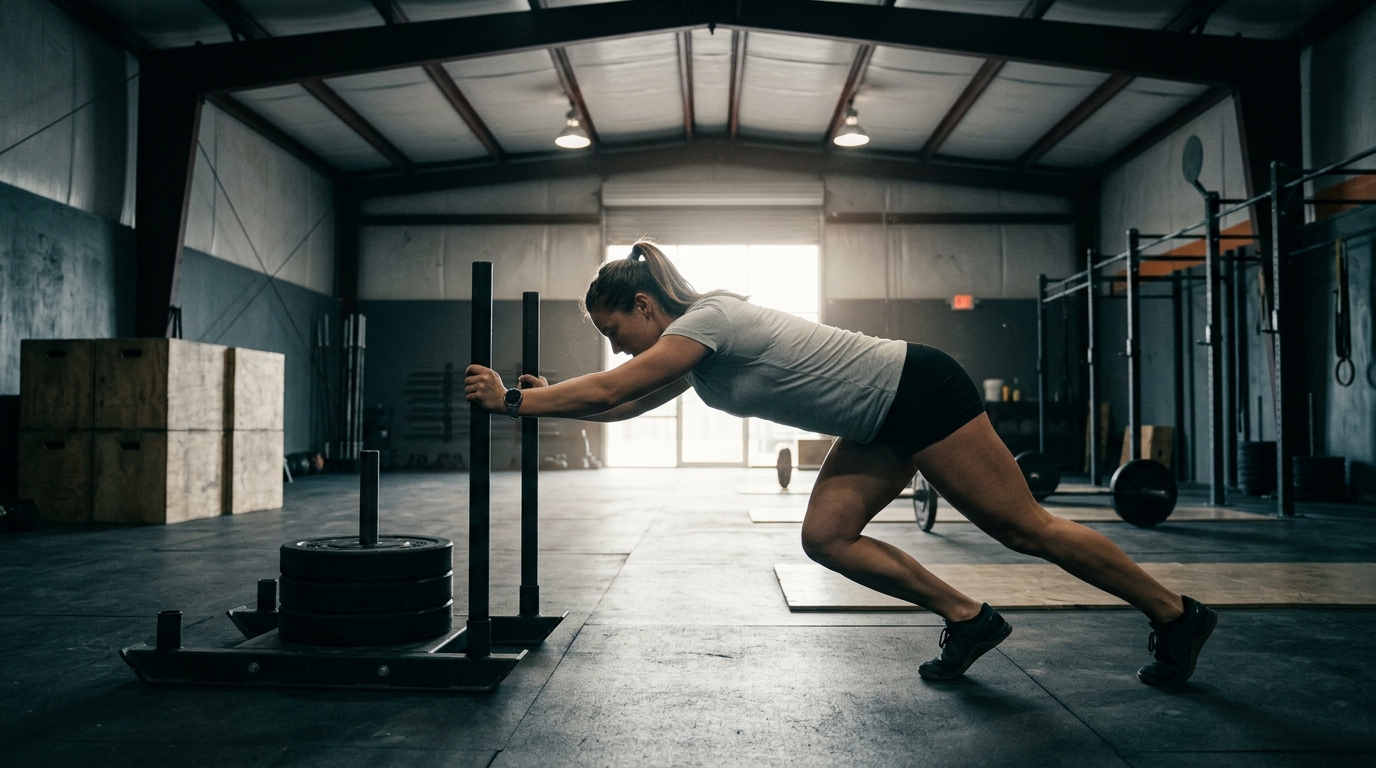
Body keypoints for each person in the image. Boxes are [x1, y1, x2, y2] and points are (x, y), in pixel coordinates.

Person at [465, 241, 1217, 685]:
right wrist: (538, 399)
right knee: (825, 536)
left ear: (643, 304)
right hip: (876, 422)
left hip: (916, 390)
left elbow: (613, 387)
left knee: (1024, 529)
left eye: (614, 327)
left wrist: (510, 403)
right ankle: (969, 619)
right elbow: (622, 405)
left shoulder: (710, 321)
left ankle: (1178, 615)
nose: (616, 344)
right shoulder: (688, 355)